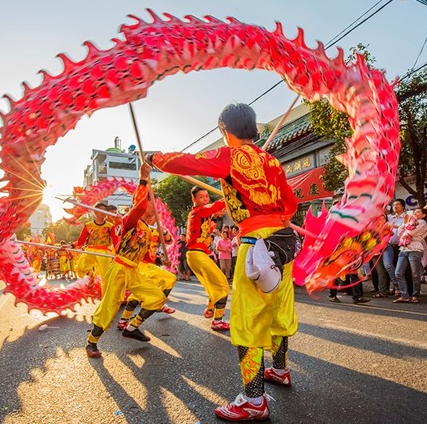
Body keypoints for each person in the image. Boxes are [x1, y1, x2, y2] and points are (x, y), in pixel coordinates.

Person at [149, 102, 299, 422]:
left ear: (224, 130)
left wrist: (155, 158)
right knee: (278, 311)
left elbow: (189, 162)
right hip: (284, 243)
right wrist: (278, 219)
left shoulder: (230, 156)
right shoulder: (271, 160)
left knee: (248, 321)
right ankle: (280, 369)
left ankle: (253, 400)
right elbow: (291, 202)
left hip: (255, 242)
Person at [85, 164, 167, 358]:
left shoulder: (148, 230)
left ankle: (132, 328)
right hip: (119, 266)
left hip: (134, 270)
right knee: (110, 306)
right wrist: (143, 179)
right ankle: (91, 343)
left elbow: (147, 254)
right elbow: (138, 205)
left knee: (157, 297)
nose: (155, 207)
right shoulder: (132, 220)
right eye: (152, 203)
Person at [178, 185, 230, 330]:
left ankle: (209, 310)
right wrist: (229, 195)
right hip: (196, 254)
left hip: (197, 255)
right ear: (193, 199)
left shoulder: (201, 214)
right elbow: (216, 206)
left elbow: (208, 228)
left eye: (206, 196)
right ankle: (217, 320)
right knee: (222, 285)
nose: (205, 199)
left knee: (212, 284)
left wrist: (214, 217)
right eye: (201, 196)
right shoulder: (199, 211)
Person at [115, 213, 177, 330]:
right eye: (147, 215)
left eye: (153, 216)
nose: (150, 217)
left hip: (149, 266)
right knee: (168, 279)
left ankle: (124, 320)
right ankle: (158, 304)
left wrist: (163, 231)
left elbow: (169, 241)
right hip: (140, 264)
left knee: (139, 293)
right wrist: (119, 223)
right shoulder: (138, 227)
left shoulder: (155, 231)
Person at [74, 202, 118, 284]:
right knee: (80, 268)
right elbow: (81, 240)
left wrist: (118, 252)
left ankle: (106, 295)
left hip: (104, 251)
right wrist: (71, 245)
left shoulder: (110, 226)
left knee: (106, 276)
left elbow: (115, 240)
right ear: (95, 212)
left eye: (105, 210)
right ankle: (92, 275)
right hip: (90, 250)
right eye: (100, 210)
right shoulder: (88, 225)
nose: (102, 212)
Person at [392, 208, 427, 303]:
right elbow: (400, 233)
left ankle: (415, 295)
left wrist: (406, 225)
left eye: (417, 212)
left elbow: (412, 232)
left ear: (423, 215)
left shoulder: (422, 222)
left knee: (415, 274)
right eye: (414, 212)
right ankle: (404, 295)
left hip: (415, 249)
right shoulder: (409, 222)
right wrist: (405, 223)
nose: (414, 213)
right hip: (404, 248)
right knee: (398, 273)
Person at [383, 199, 406, 296]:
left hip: (401, 246)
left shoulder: (406, 217)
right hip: (389, 246)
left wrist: (393, 226)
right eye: (393, 205)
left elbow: (406, 227)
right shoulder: (389, 217)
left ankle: (402, 289)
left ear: (403, 207)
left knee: (399, 270)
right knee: (388, 265)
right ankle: (396, 286)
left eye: (397, 204)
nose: (395, 206)